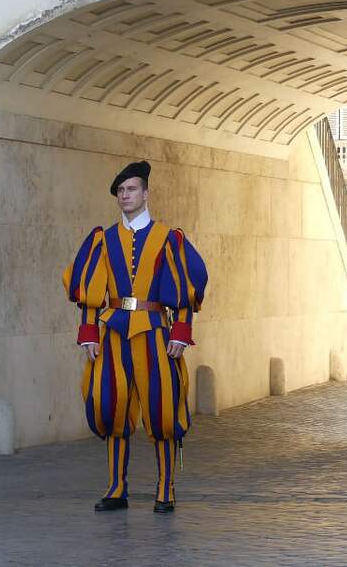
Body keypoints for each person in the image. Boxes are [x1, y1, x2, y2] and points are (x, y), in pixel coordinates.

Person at [62, 160, 208, 514]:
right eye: (120, 191)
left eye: (131, 189)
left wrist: (182, 331)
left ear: (146, 193)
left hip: (156, 330)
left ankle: (165, 489)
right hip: (112, 333)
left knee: (163, 409)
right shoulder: (104, 238)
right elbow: (91, 291)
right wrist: (88, 333)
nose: (125, 196)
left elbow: (184, 288)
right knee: (111, 406)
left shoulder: (167, 238)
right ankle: (116, 488)